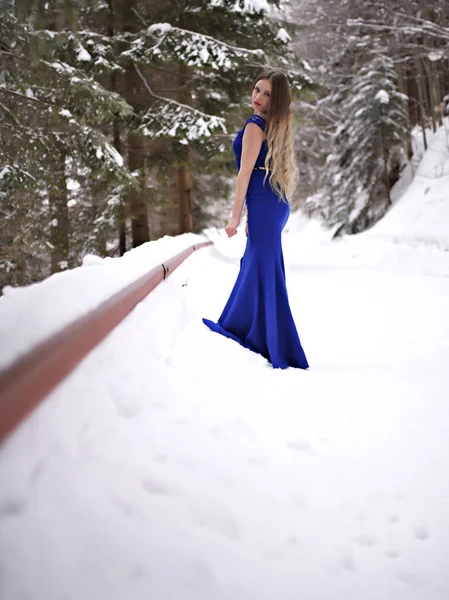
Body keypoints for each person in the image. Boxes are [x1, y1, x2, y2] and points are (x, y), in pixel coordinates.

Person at [202, 69, 309, 370]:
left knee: (262, 269)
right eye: (257, 90)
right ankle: (260, 335)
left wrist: (235, 216)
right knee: (259, 267)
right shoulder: (271, 125)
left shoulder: (254, 125)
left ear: (276, 101)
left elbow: (245, 174)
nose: (258, 97)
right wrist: (251, 212)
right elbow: (260, 172)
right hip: (272, 204)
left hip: (265, 203)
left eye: (267, 94)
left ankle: (271, 342)